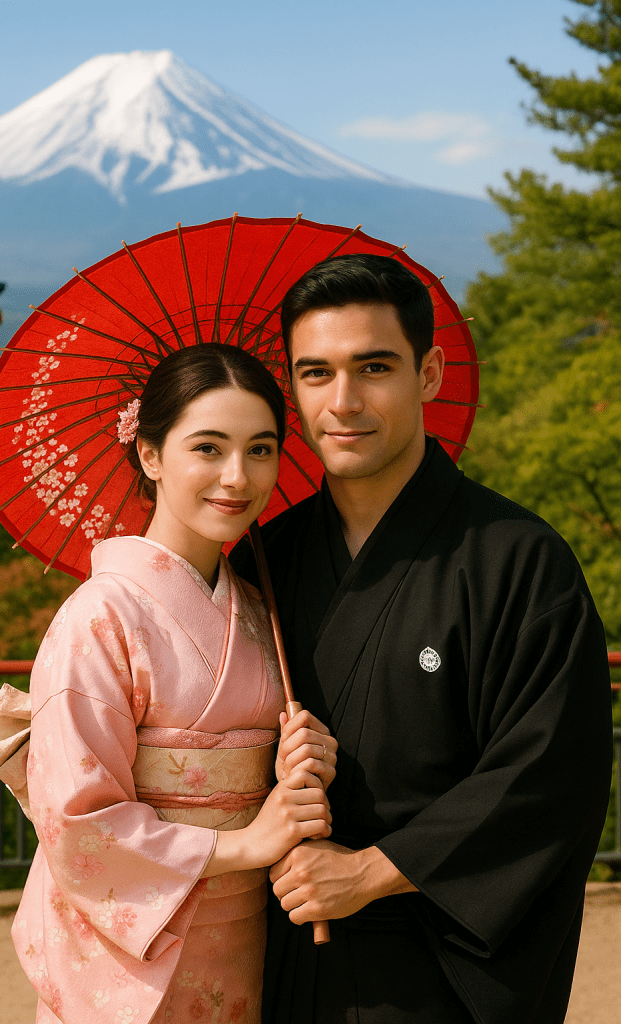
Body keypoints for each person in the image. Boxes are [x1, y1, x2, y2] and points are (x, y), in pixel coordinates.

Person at [230, 254, 613, 1024]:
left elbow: (549, 770)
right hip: (279, 943)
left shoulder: (515, 557)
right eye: (314, 373)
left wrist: (374, 870)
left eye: (373, 367)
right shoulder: (264, 558)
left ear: (428, 372)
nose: (343, 402)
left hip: (437, 961)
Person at [0, 343, 335, 1024]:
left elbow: (265, 788)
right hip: (132, 950)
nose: (237, 477)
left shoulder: (261, 614)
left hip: (246, 941)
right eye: (208, 448)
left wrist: (293, 764)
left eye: (260, 450)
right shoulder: (99, 617)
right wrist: (243, 844)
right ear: (149, 454)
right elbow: (77, 825)